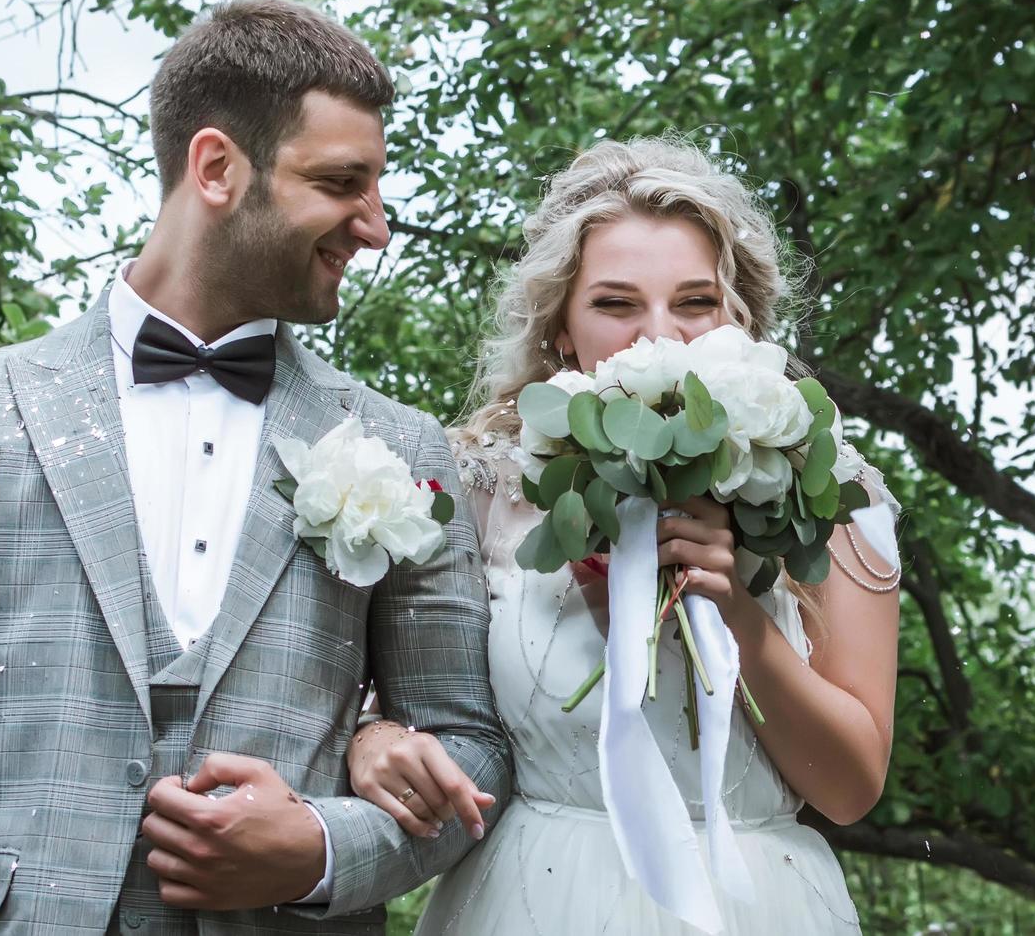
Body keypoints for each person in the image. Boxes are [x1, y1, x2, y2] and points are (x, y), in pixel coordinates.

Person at [0, 0, 510, 935]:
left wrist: (321, 847)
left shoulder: (401, 449)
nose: (375, 227)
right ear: (218, 167)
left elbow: (471, 748)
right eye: (344, 183)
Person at [347, 137, 900, 933]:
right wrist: (374, 738)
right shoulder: (473, 488)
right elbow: (382, 699)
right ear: (561, 329)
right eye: (614, 304)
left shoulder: (830, 491)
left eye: (695, 303)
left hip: (755, 903)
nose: (658, 339)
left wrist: (737, 610)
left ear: (739, 319)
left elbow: (849, 790)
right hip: (531, 897)